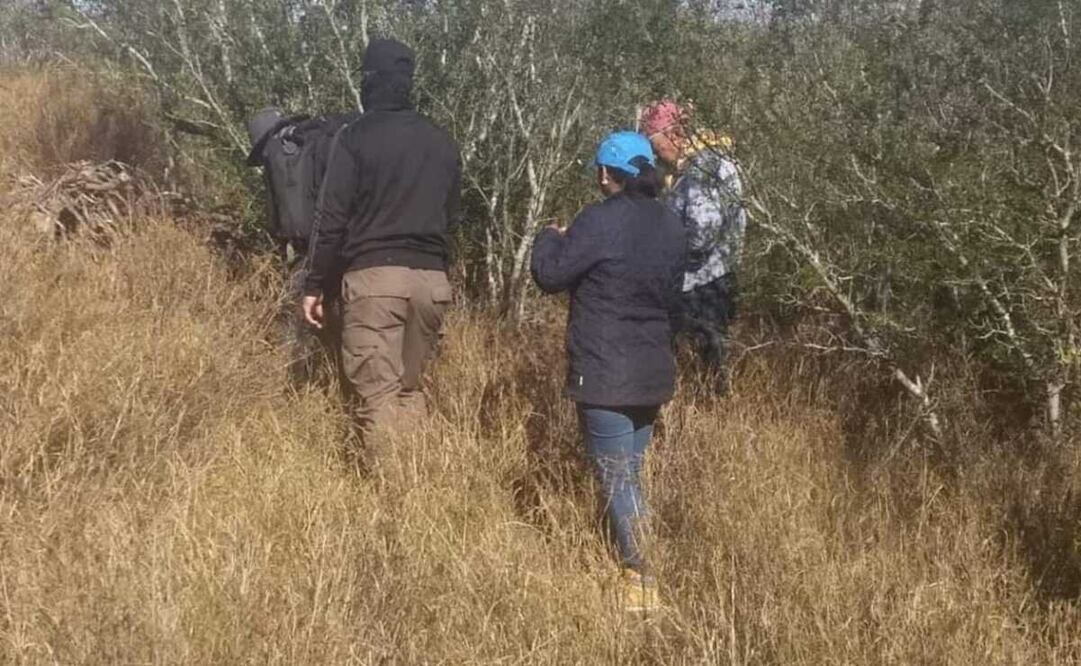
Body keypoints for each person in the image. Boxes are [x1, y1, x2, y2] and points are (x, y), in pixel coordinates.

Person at [530, 131, 687, 613]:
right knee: (630, 474)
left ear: (605, 174)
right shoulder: (670, 223)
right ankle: (630, 563)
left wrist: (548, 240)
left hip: (605, 373)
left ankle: (643, 583)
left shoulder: (598, 220)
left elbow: (550, 276)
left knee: (619, 480)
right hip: (652, 372)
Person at [301, 38, 461, 466]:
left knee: (378, 400)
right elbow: (452, 217)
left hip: (375, 283)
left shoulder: (354, 138)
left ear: (368, 81)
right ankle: (420, 492)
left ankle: (395, 511)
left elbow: (330, 219)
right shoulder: (441, 141)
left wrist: (314, 284)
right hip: (432, 285)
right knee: (410, 392)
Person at [640, 99, 747, 393]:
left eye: (654, 142)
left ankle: (708, 426)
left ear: (674, 134)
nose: (653, 153)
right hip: (702, 283)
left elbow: (701, 235)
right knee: (703, 369)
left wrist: (658, 249)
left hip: (703, 288)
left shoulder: (705, 167)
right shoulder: (698, 166)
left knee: (706, 373)